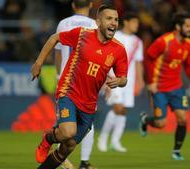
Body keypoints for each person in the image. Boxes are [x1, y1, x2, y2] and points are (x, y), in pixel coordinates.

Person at [31, 4, 128, 169]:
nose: (113, 23)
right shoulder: (82, 34)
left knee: (68, 146)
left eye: (116, 19)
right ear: (98, 22)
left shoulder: (119, 50)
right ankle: (48, 138)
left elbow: (124, 78)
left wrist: (119, 82)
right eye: (109, 18)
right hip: (69, 92)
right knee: (68, 132)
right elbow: (54, 38)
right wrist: (38, 63)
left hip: (89, 104)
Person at [139, 11, 190, 160]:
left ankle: (176, 151)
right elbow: (148, 58)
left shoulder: (189, 44)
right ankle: (146, 120)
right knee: (161, 124)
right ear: (177, 26)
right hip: (159, 88)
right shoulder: (164, 41)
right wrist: (151, 82)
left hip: (176, 88)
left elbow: (187, 66)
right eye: (187, 26)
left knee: (183, 119)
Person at [54, 0, 97, 168]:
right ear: (91, 5)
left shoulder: (63, 24)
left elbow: (58, 53)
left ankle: (60, 154)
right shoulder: (94, 24)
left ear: (73, 5)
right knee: (87, 122)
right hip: (86, 80)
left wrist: (59, 76)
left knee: (65, 121)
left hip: (66, 80)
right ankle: (84, 162)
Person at [97, 13, 144, 153]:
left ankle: (115, 141)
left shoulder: (138, 41)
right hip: (113, 77)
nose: (137, 26)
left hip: (129, 80)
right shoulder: (115, 36)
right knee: (117, 108)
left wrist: (140, 80)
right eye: (134, 22)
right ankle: (103, 138)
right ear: (127, 22)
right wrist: (106, 77)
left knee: (124, 111)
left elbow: (138, 62)